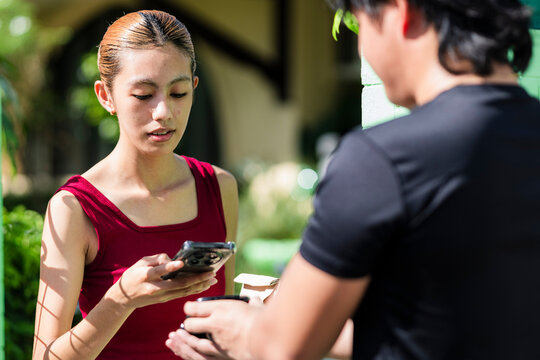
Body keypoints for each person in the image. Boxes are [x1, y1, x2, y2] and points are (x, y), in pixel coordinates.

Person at [166, 0, 540, 359]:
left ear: (399, 10)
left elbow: (284, 347)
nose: (362, 46)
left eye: (360, 25)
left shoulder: (381, 160)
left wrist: (245, 326)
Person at [32, 10, 238, 360]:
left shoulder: (219, 188)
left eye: (179, 93)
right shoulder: (74, 209)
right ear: (105, 96)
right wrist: (120, 299)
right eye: (143, 95)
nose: (163, 112)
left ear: (194, 89)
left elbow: (222, 322)